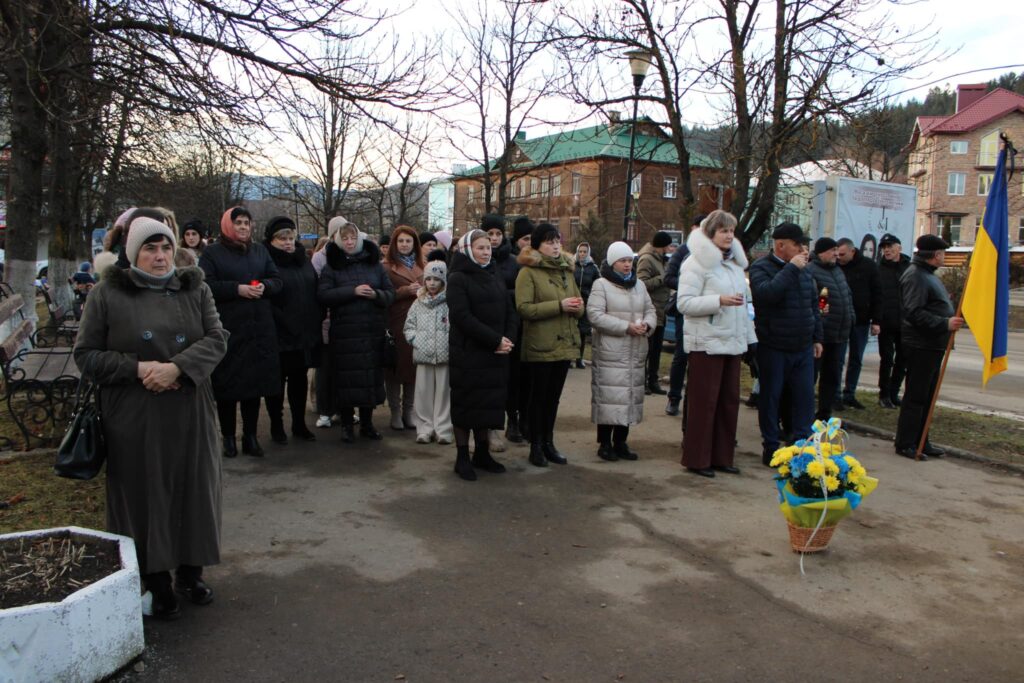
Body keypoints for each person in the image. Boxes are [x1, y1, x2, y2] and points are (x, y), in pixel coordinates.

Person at [74, 217, 228, 620]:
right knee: (146, 494)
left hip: (190, 406)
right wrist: (140, 369)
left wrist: (176, 368)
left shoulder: (196, 287)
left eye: (165, 248)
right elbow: (86, 355)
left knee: (193, 489)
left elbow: (217, 339)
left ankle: (190, 574)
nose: (159, 257)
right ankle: (156, 581)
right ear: (132, 253)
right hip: (134, 413)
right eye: (149, 249)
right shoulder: (108, 293)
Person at [677, 211, 757, 477]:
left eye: (732, 231)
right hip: (707, 344)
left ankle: (723, 457)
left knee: (729, 402)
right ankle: (698, 459)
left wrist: (750, 340)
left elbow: (745, 306)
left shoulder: (734, 266)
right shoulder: (695, 264)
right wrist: (718, 301)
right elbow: (684, 304)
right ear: (710, 234)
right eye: (723, 231)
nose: (729, 235)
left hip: (732, 344)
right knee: (704, 403)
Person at [199, 207, 282, 458]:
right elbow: (206, 285)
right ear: (227, 225)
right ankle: (228, 438)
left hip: (259, 329)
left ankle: (251, 436)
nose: (244, 227)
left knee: (253, 387)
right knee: (228, 386)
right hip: (229, 328)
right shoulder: (212, 253)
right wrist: (238, 289)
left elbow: (276, 279)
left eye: (247, 222)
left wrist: (262, 287)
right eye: (238, 223)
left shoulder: (259, 250)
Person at [749, 223, 823, 466]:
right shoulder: (762, 268)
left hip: (802, 345)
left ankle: (802, 446)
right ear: (781, 245)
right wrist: (791, 269)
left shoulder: (805, 270)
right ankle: (770, 447)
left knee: (804, 398)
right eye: (798, 244)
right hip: (774, 345)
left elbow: (813, 305)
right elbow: (767, 295)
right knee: (771, 397)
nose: (803, 249)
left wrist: (817, 337)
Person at [447, 230, 516, 480]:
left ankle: (483, 453)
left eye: (488, 248)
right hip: (469, 353)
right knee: (467, 405)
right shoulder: (457, 278)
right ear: (467, 250)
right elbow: (462, 317)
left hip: (496, 353)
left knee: (488, 404)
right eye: (480, 248)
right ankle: (462, 456)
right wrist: (494, 340)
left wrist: (508, 339)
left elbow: (510, 309)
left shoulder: (494, 272)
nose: (486, 252)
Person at [317, 222, 394, 442]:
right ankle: (347, 425)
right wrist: (353, 291)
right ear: (339, 241)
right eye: (345, 239)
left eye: (353, 238)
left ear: (359, 238)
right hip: (344, 333)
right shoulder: (332, 266)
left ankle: (368, 424)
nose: (350, 242)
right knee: (346, 381)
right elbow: (323, 295)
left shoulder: (375, 265)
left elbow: (390, 294)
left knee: (369, 380)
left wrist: (376, 295)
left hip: (371, 331)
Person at [516, 222, 584, 467]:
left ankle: (549, 442)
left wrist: (577, 308)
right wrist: (559, 306)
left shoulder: (567, 270)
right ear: (537, 246)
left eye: (557, 241)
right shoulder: (528, 272)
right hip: (540, 345)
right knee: (538, 397)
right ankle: (535, 445)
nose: (555, 246)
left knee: (553, 398)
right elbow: (523, 308)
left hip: (565, 343)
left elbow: (578, 300)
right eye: (549, 242)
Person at [894, 234, 963, 460]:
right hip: (920, 344)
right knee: (916, 396)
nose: (944, 257)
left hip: (932, 345)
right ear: (935, 255)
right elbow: (914, 312)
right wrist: (944, 322)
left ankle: (922, 439)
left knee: (928, 395)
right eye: (942, 253)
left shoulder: (927, 274)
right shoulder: (916, 276)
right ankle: (906, 443)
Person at [587, 241, 656, 461]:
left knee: (629, 396)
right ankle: (605, 443)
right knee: (609, 397)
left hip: (635, 351)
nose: (627, 265)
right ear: (612, 262)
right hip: (611, 351)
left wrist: (647, 324)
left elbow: (650, 309)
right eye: (622, 261)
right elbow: (595, 315)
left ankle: (621, 442)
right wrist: (626, 327)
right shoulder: (601, 285)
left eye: (629, 261)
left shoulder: (639, 286)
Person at [262, 216, 323, 444]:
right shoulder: (266, 261)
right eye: (282, 239)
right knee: (276, 383)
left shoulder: (302, 260)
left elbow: (313, 288)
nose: (287, 243)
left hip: (304, 331)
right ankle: (276, 426)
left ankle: (299, 424)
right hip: (278, 332)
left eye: (290, 238)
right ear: (272, 240)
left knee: (299, 381)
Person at [403, 260, 453, 445]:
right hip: (423, 355)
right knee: (423, 393)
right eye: (429, 279)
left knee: (443, 393)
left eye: (437, 279)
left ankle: (443, 429)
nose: (432, 283)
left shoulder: (449, 303)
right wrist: (416, 340)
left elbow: (453, 326)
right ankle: (424, 428)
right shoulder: (418, 303)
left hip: (443, 354)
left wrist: (449, 342)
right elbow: (409, 326)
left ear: (443, 282)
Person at [806, 237, 854, 421]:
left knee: (832, 378)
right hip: (820, 336)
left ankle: (824, 415)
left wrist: (851, 317)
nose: (836, 254)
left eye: (837, 250)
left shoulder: (838, 271)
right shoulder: (811, 271)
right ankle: (806, 414)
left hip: (839, 335)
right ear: (821, 252)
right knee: (811, 377)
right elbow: (814, 303)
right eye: (832, 250)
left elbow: (847, 296)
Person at [663, 214, 705, 415]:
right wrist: (691, 286)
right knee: (681, 354)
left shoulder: (714, 253)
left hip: (707, 313)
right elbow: (668, 278)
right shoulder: (683, 251)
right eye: (701, 228)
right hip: (685, 311)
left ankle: (698, 403)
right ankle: (674, 397)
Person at [383, 225, 424, 431]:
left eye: (408, 241)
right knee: (394, 370)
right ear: (394, 244)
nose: (405, 244)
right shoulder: (386, 267)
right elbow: (383, 295)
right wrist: (405, 290)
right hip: (396, 323)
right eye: (401, 241)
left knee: (412, 369)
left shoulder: (422, 265)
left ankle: (409, 411)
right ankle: (395, 412)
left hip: (419, 324)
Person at [483, 213, 516, 451]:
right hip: (481, 330)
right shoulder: (472, 260)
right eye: (490, 234)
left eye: (498, 234)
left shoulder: (512, 262)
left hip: (504, 327)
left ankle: (495, 429)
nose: (494, 239)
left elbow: (518, 294)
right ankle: (479, 430)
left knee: (500, 385)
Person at [836, 237, 882, 409]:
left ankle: (850, 393)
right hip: (841, 320)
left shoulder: (868, 267)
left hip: (861, 320)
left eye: (842, 254)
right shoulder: (836, 266)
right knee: (837, 359)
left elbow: (878, 294)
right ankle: (835, 394)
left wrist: (876, 320)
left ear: (852, 251)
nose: (839, 257)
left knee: (856, 359)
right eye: (837, 254)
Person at [877, 233, 911, 408]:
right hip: (886, 322)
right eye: (884, 247)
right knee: (887, 360)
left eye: (890, 246)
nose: (887, 250)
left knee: (903, 360)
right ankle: (883, 394)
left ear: (899, 248)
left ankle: (894, 392)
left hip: (905, 323)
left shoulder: (909, 267)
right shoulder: (879, 268)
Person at [637, 230, 673, 395]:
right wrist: (662, 279)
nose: (670, 248)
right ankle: (642, 381)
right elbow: (641, 283)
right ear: (661, 246)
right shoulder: (646, 259)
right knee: (647, 350)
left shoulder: (661, 260)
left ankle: (653, 381)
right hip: (650, 311)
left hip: (661, 310)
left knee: (657, 350)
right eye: (668, 245)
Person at [573, 242, 601, 369]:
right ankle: (568, 358)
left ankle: (579, 358)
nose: (582, 254)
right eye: (580, 251)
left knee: (582, 331)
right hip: (572, 301)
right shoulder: (571, 265)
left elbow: (598, 285)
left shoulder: (593, 268)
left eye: (585, 251)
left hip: (586, 302)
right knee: (570, 330)